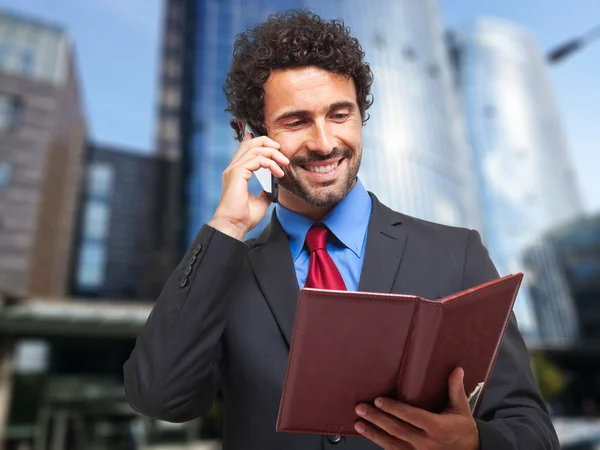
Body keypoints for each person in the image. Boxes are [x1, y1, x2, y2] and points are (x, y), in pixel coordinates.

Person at [123, 10, 559, 450]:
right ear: (250, 134)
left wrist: (473, 443)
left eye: (339, 114)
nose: (325, 142)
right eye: (296, 122)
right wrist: (227, 225)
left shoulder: (456, 253)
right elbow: (160, 396)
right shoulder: (225, 270)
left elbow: (533, 432)